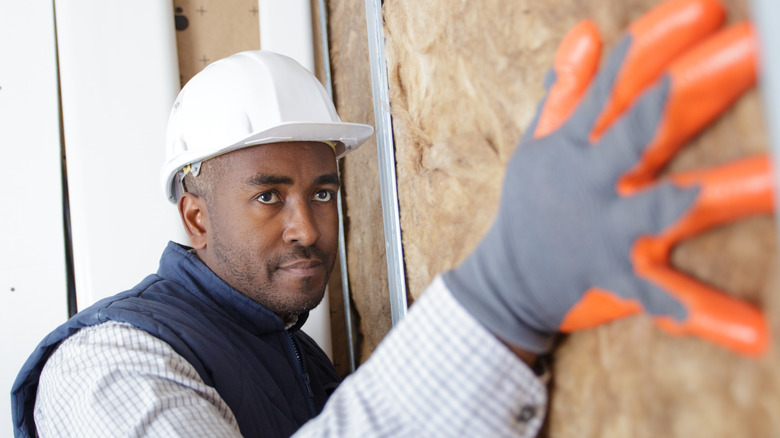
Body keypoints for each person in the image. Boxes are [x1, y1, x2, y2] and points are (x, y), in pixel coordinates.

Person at [11, 0, 773, 436]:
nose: (308, 227)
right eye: (269, 195)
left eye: (323, 193)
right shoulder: (108, 365)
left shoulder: (300, 362)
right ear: (196, 217)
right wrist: (501, 303)